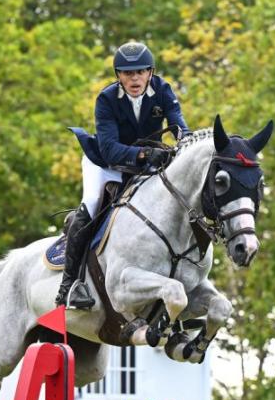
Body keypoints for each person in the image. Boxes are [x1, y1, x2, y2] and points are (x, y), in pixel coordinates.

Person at [61, 41, 190, 309]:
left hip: (145, 164)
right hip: (105, 163)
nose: (135, 78)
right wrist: (144, 154)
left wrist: (186, 143)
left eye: (141, 72)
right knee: (91, 207)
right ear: (118, 75)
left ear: (150, 72)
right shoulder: (106, 99)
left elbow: (178, 125)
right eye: (127, 73)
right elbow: (109, 149)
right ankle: (71, 285)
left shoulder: (163, 90)